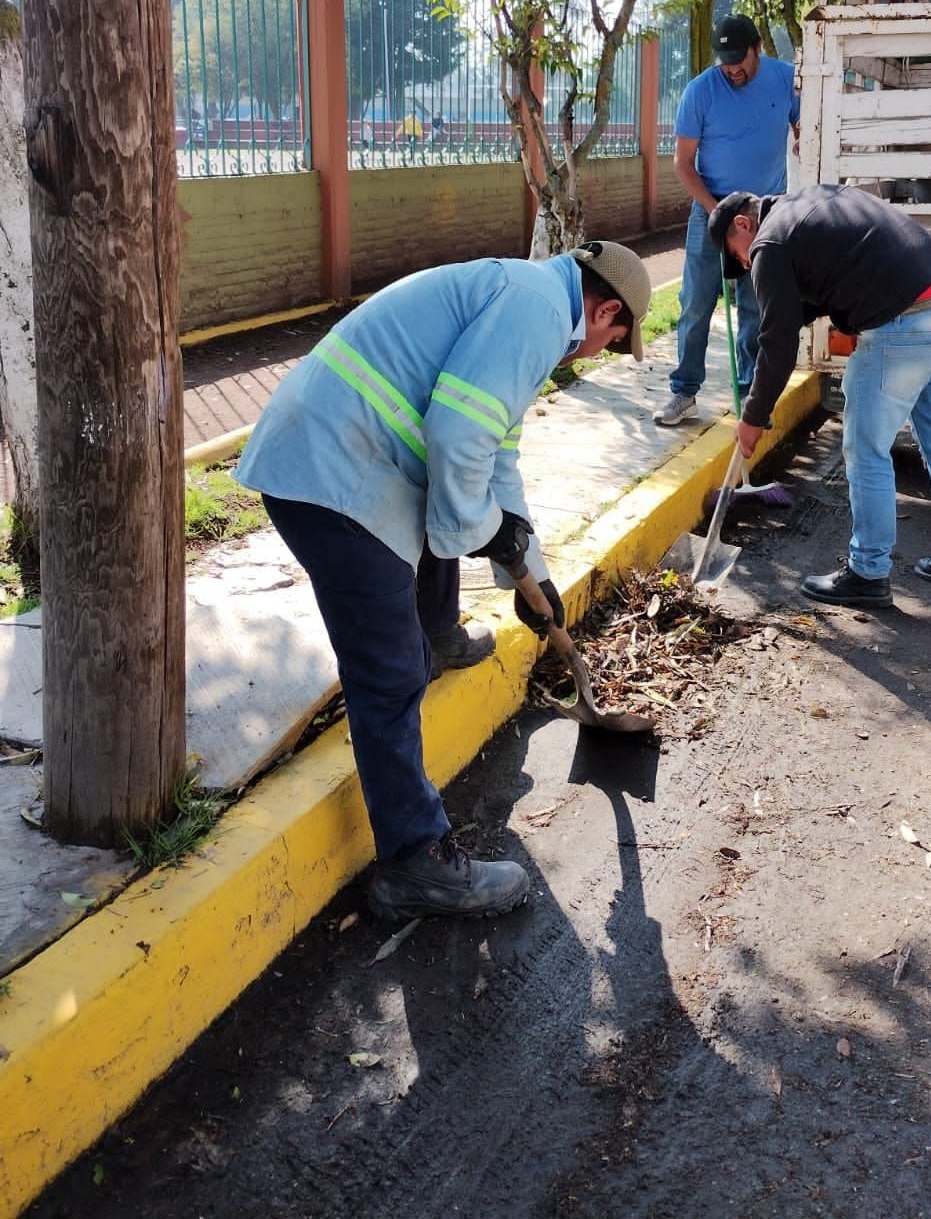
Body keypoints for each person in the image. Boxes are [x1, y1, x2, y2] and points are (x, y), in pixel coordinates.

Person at [235, 241, 652, 921]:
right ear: (605, 309)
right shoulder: (540, 311)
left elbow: (496, 461)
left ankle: (439, 634)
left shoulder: (531, 300)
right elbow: (458, 437)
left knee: (453, 518)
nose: (601, 352)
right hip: (331, 473)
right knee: (390, 674)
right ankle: (415, 863)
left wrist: (532, 580)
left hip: (349, 450)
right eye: (613, 339)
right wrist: (486, 530)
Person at [709, 186, 931, 609]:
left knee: (866, 449)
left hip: (907, 322)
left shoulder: (770, 241)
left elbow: (777, 342)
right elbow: (826, 287)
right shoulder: (809, 205)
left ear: (743, 225)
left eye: (739, 256)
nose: (747, 266)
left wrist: (754, 415)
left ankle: (868, 573)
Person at [653, 14, 799, 427]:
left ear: (757, 49)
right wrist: (715, 209)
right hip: (711, 210)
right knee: (696, 304)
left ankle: (750, 396)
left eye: (739, 59)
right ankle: (683, 393)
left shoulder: (785, 79)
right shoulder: (701, 91)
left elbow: (808, 124)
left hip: (763, 214)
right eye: (725, 61)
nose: (732, 69)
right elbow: (683, 164)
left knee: (756, 306)